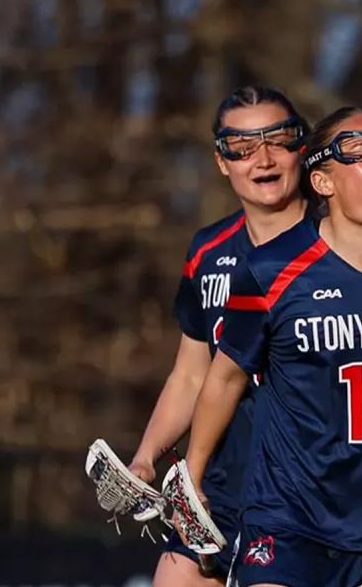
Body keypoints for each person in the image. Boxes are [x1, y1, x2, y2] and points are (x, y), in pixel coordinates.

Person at [183, 107, 362, 586]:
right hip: (291, 525)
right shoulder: (269, 270)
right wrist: (193, 478)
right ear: (323, 182)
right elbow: (224, 377)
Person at [127, 86, 308, 584]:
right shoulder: (208, 251)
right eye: (242, 147)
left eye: (278, 140)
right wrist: (146, 459)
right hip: (221, 490)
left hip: (307, 493)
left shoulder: (340, 241)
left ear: (303, 148)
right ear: (221, 161)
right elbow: (191, 374)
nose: (264, 159)